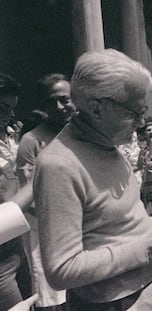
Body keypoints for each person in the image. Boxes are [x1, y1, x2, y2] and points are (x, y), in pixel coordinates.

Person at [33, 49, 152, 311]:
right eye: (134, 112)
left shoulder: (107, 141)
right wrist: (148, 245)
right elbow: (61, 270)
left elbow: (108, 224)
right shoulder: (59, 166)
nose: (142, 122)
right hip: (118, 303)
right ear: (97, 109)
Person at [16, 73, 76, 310]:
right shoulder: (31, 142)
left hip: (82, 227)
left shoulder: (82, 135)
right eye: (52, 101)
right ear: (43, 106)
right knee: (51, 296)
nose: (60, 107)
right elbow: (30, 195)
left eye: (65, 99)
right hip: (44, 232)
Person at [0, 73, 24, 311]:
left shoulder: (10, 139)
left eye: (11, 109)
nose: (6, 116)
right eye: (1, 107)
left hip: (20, 244)